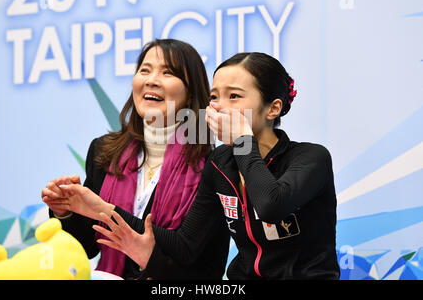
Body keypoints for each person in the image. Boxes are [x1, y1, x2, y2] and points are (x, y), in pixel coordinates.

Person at [59, 52, 340, 279]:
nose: (217, 106)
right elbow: (184, 245)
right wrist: (99, 208)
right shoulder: (221, 163)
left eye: (234, 96)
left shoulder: (311, 158)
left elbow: (271, 205)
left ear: (273, 108)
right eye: (215, 97)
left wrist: (242, 141)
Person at [41, 39, 230, 280]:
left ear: (190, 91)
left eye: (168, 72)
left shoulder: (212, 167)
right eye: (145, 70)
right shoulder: (105, 152)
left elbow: (205, 267)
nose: (152, 80)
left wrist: (106, 212)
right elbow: (87, 248)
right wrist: (64, 212)